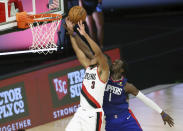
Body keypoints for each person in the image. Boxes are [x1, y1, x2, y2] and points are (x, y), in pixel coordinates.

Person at [103, 59, 175, 131]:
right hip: (110, 122)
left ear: (122, 70)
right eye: (114, 62)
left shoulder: (127, 86)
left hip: (126, 120)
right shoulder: (104, 80)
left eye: (117, 63)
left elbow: (145, 99)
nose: (114, 63)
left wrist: (162, 112)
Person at [64, 18, 109, 131]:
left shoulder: (104, 71)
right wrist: (71, 33)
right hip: (81, 112)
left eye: (96, 56)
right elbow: (78, 51)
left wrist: (85, 35)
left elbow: (98, 52)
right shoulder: (89, 67)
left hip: (93, 115)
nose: (92, 55)